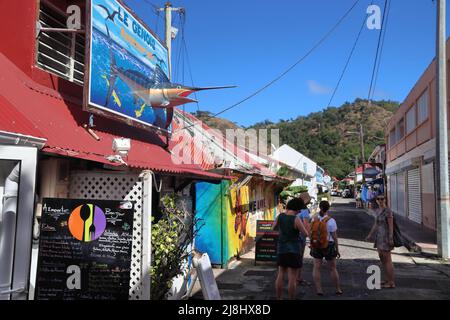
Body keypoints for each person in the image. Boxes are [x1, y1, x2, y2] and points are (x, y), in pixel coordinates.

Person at [273, 198, 309, 300]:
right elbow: (305, 233)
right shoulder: (296, 219)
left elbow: (273, 228)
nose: (300, 211)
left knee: (280, 274)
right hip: (294, 250)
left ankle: (278, 298)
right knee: (292, 278)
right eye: (299, 209)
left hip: (281, 249)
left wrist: (282, 230)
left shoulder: (280, 216)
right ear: (296, 209)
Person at [310, 201, 342, 296]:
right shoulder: (331, 221)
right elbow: (335, 237)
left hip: (316, 245)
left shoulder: (314, 219)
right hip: (329, 245)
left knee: (316, 267)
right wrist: (337, 249)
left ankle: (319, 290)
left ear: (319, 207)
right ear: (328, 208)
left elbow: (311, 232)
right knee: (332, 268)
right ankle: (338, 289)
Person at [366, 194, 396, 289]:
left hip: (386, 238)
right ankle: (387, 279)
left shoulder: (388, 211)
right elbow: (376, 224)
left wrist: (390, 238)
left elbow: (391, 226)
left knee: (387, 260)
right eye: (378, 199)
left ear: (385, 200)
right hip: (379, 237)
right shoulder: (378, 211)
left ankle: (391, 282)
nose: (380, 200)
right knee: (382, 259)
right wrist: (370, 234)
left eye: (382, 199)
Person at [296, 198, 311, 286]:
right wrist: (310, 238)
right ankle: (298, 278)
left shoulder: (294, 210)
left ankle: (295, 278)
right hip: (301, 237)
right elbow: (306, 225)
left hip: (293, 237)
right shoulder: (305, 211)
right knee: (299, 258)